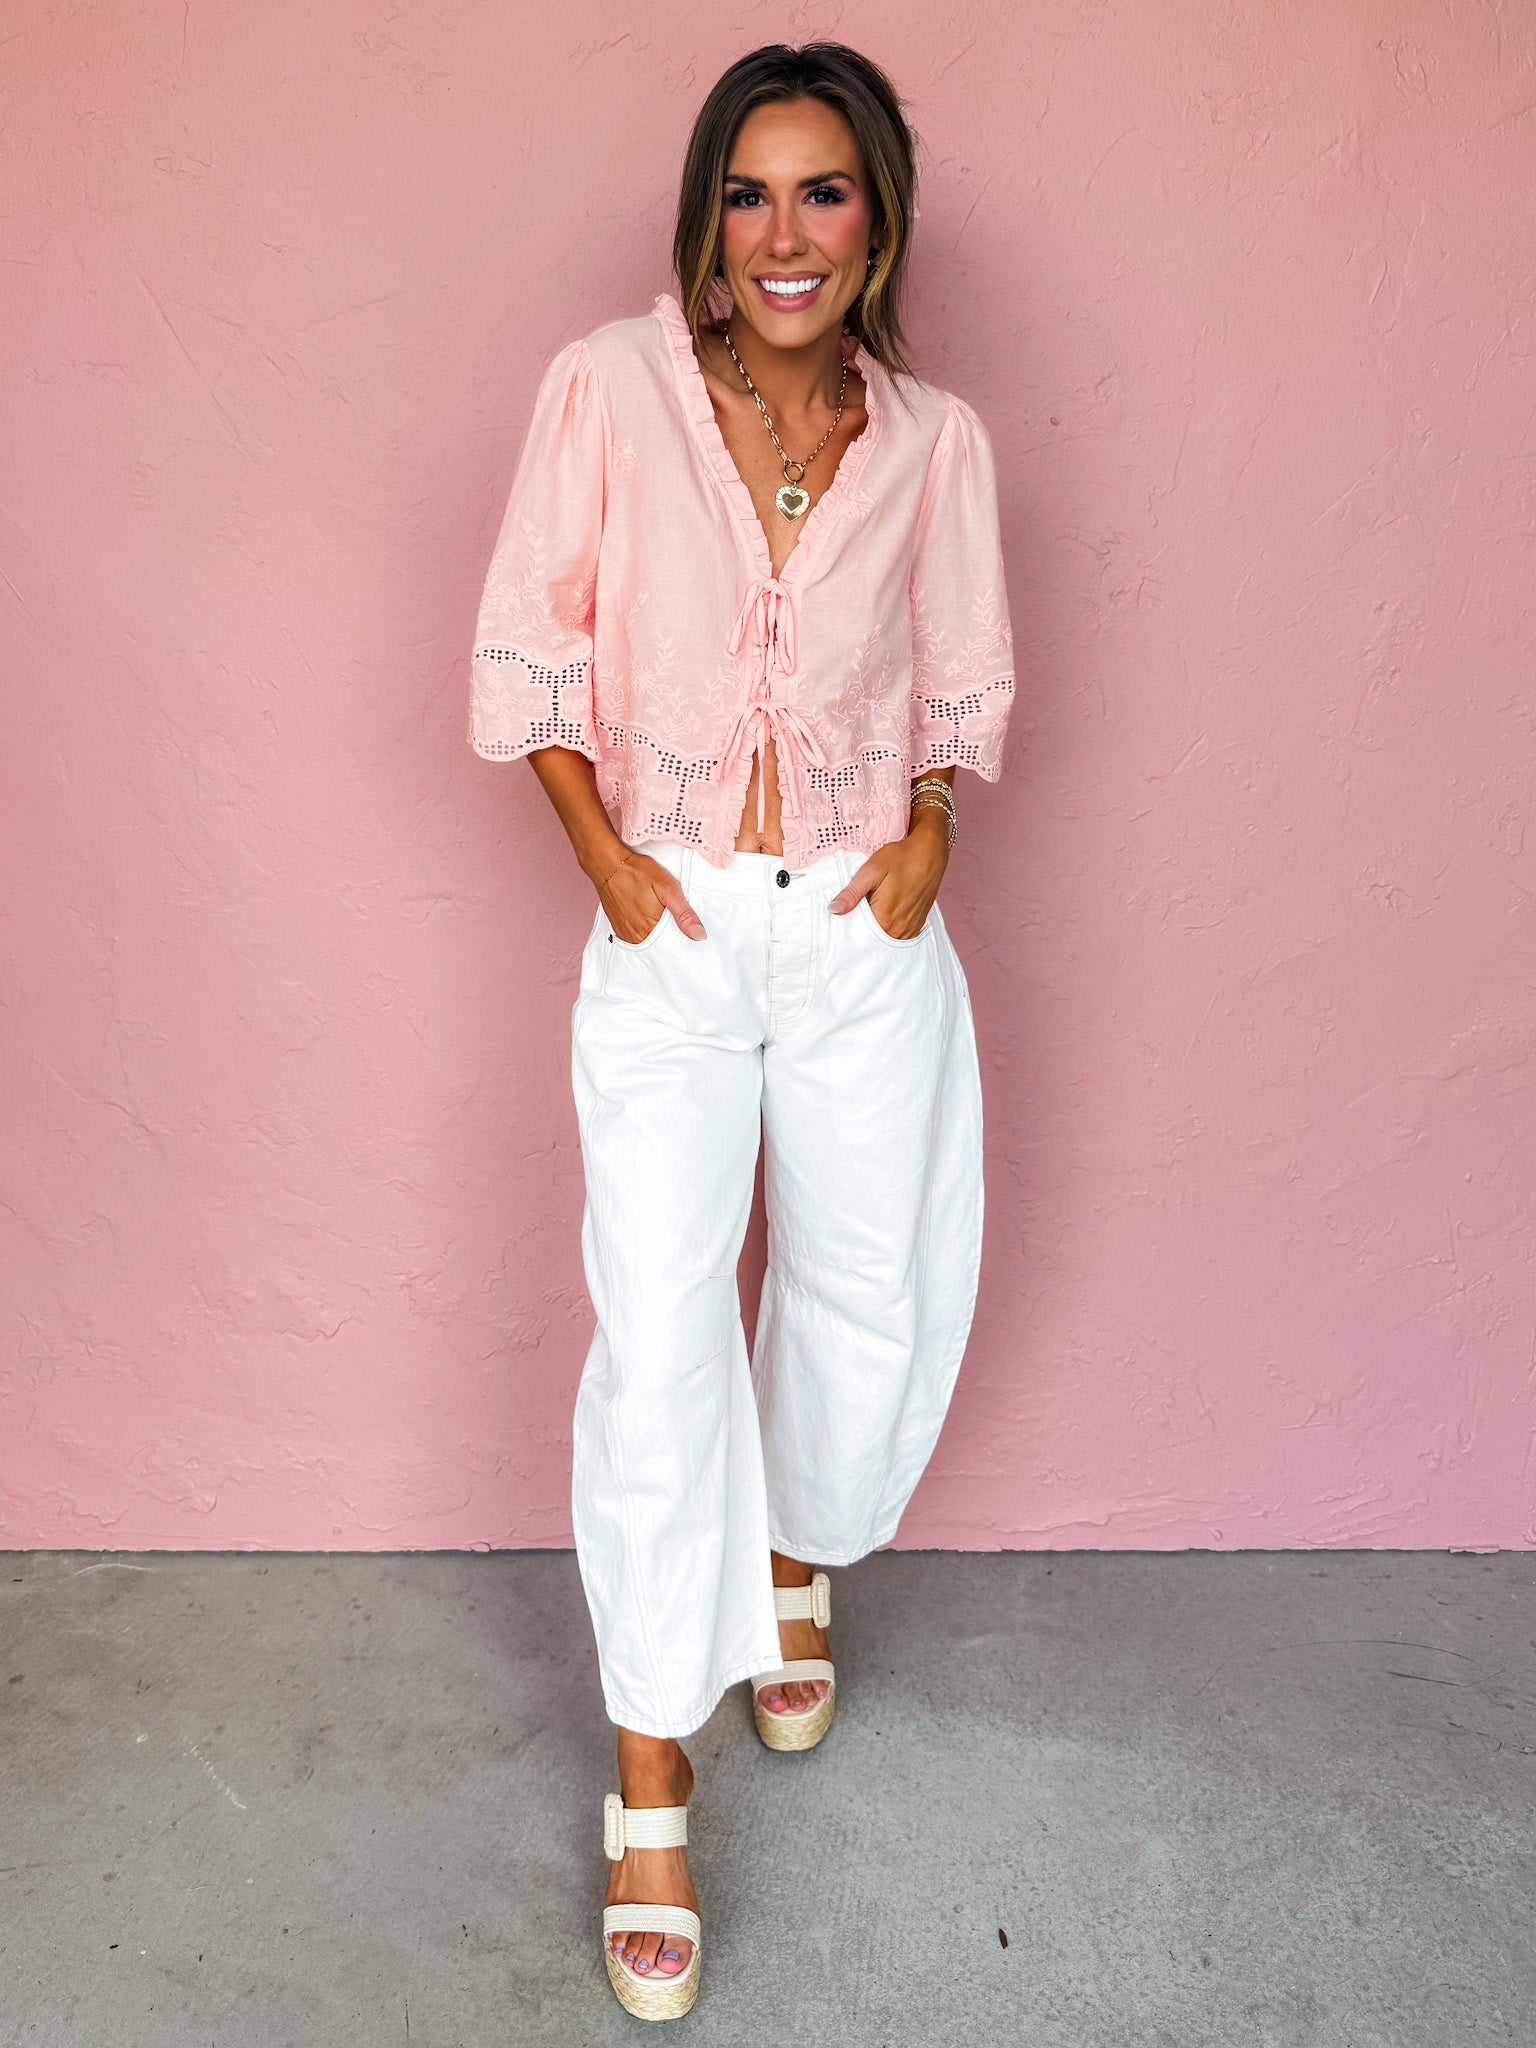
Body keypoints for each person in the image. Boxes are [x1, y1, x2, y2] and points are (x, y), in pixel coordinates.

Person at [467, 40, 1014, 2022]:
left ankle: (790, 1562)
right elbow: (529, 647)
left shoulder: (933, 439)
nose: (787, 234)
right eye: (752, 191)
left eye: (826, 191)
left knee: (866, 1293)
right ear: (708, 215)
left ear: (879, 222)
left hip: (862, 927)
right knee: (662, 1334)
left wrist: (932, 831)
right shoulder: (607, 389)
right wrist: (616, 870)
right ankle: (649, 1780)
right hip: (678, 926)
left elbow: (958, 671)